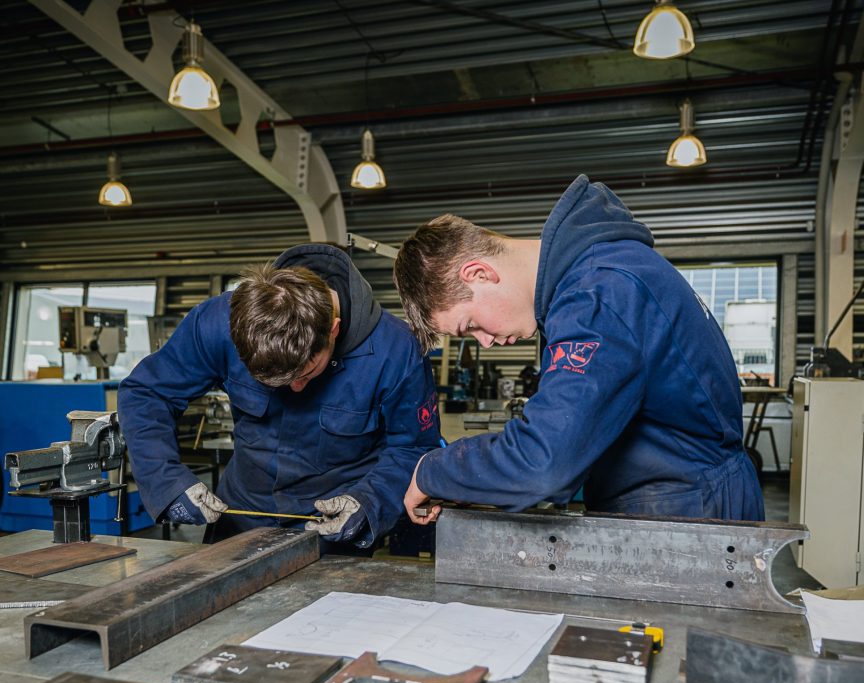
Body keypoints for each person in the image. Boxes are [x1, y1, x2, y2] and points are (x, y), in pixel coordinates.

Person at [394, 175, 764, 524]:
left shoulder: (594, 297)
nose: (485, 341)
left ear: (479, 273)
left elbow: (544, 462)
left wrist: (434, 470)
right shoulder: (603, 271)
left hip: (690, 513)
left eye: (470, 325)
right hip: (679, 500)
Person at [119, 243, 441, 548]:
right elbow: (147, 393)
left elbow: (413, 447)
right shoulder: (218, 323)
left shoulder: (395, 352)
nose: (295, 389)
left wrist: (370, 502)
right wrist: (167, 482)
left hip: (333, 527)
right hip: (240, 516)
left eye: (304, 374)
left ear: (333, 330)